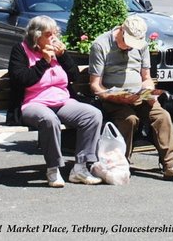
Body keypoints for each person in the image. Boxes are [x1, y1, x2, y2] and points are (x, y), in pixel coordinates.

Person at [88, 15, 173, 182]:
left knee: (162, 116)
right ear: (121, 31)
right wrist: (112, 96)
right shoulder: (101, 45)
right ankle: (121, 164)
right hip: (113, 99)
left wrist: (148, 91)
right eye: (128, 43)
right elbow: (95, 85)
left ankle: (172, 166)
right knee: (129, 119)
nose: (130, 47)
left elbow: (146, 77)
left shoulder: (141, 45)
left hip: (139, 96)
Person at [8, 15, 103, 187]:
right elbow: (21, 79)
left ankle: (80, 167)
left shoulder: (57, 52)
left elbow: (74, 76)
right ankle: (53, 168)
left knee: (93, 115)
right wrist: (44, 62)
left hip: (62, 101)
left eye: (55, 33)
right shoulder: (20, 50)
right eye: (48, 34)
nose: (53, 38)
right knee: (49, 120)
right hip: (33, 102)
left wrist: (63, 55)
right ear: (36, 35)